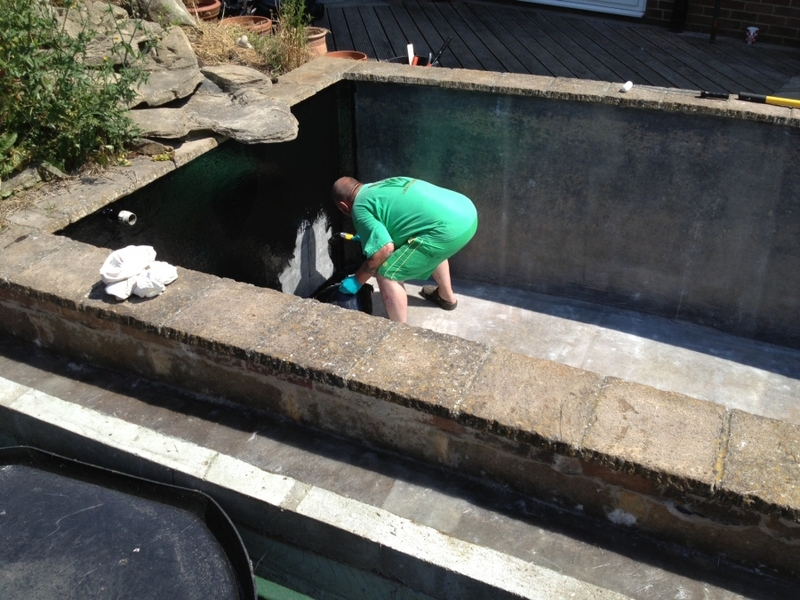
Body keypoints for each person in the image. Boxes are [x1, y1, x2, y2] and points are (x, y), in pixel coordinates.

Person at [332, 176, 478, 323]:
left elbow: (385, 249)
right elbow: (403, 219)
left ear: (344, 206)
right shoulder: (379, 185)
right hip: (466, 212)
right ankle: (446, 297)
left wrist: (357, 280)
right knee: (429, 247)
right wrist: (369, 236)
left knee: (387, 274)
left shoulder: (359, 207)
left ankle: (399, 331)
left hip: (447, 232)